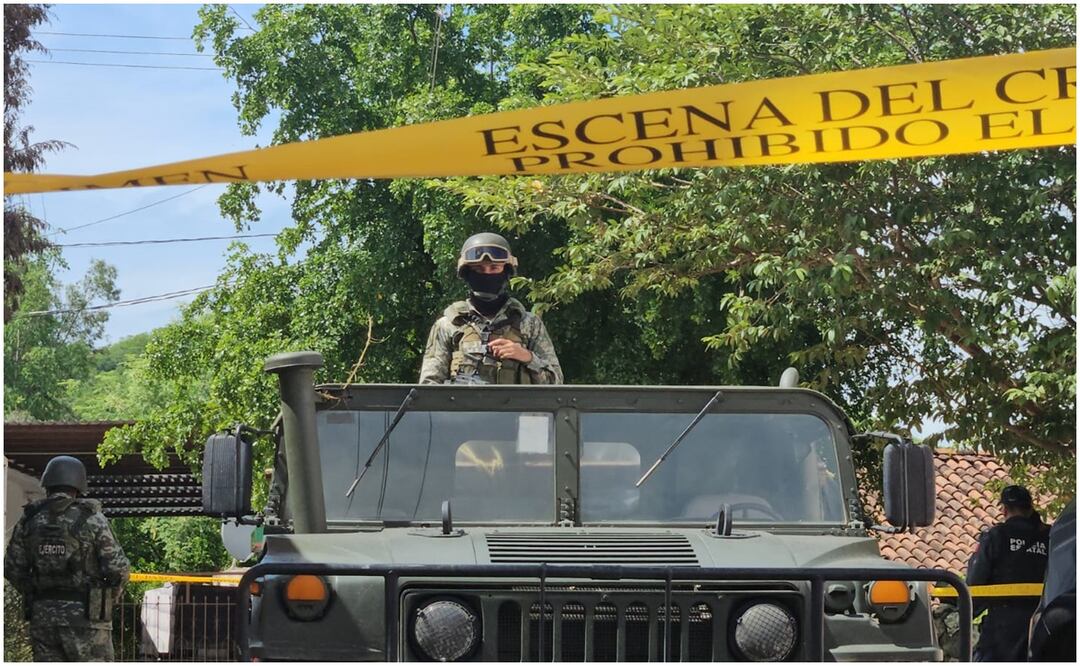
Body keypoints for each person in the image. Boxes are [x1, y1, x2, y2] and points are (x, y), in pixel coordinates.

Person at [5, 455, 131, 661]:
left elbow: (11, 568)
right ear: (79, 486)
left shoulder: (30, 519)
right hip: (87, 619)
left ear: (47, 484)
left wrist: (37, 592)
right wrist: (107, 597)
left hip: (43, 618)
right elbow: (118, 569)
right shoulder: (91, 519)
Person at [419, 232, 563, 385]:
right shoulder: (448, 325)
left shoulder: (529, 324)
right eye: (479, 269)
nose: (487, 273)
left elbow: (556, 383)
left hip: (518, 409)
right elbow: (429, 386)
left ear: (506, 271)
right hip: (464, 409)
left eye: (494, 268)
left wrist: (527, 357)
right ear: (467, 273)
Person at [965, 484, 1050, 662]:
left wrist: (968, 610)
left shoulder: (995, 536)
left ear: (1004, 510)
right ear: (1030, 507)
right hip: (1045, 624)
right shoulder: (1051, 537)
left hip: (1001, 630)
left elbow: (975, 582)